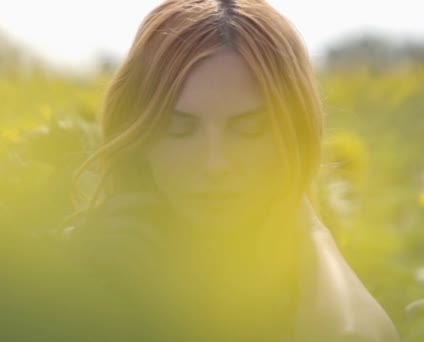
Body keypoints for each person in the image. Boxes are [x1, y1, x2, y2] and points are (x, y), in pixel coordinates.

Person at [64, 0, 400, 341]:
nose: (215, 163)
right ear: (139, 138)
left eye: (249, 129)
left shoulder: (337, 317)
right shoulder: (79, 264)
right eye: (179, 129)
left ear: (293, 135)